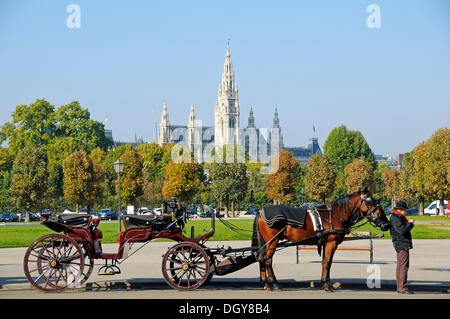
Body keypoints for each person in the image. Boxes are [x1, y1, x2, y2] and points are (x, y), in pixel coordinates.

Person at [389, 201, 415, 294]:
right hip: (401, 244)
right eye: (405, 210)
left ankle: (400, 287)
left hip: (401, 243)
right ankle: (402, 287)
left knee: (401, 266)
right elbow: (402, 231)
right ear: (400, 210)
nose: (406, 212)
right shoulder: (395, 218)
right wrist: (410, 224)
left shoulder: (397, 217)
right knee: (403, 266)